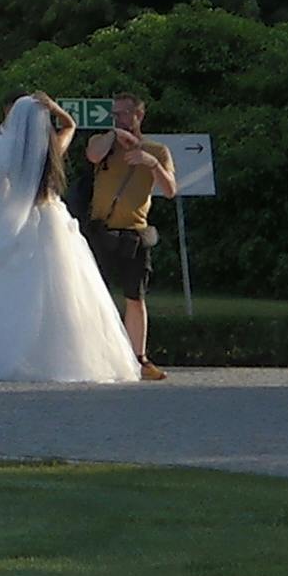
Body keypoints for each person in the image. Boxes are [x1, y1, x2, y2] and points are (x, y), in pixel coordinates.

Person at [0, 90, 142, 384]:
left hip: (18, 230)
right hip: (52, 221)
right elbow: (70, 125)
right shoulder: (52, 148)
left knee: (7, 293)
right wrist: (55, 108)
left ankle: (3, 353)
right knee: (64, 292)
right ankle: (61, 356)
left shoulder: (1, 157)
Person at [76, 96, 179, 380]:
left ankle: (139, 357)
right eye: (115, 114)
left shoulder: (157, 150)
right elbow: (92, 155)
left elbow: (170, 190)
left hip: (135, 231)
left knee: (135, 296)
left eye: (125, 114)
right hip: (101, 230)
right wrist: (113, 135)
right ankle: (95, 354)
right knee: (95, 294)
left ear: (139, 115)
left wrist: (150, 163)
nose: (120, 118)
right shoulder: (104, 143)